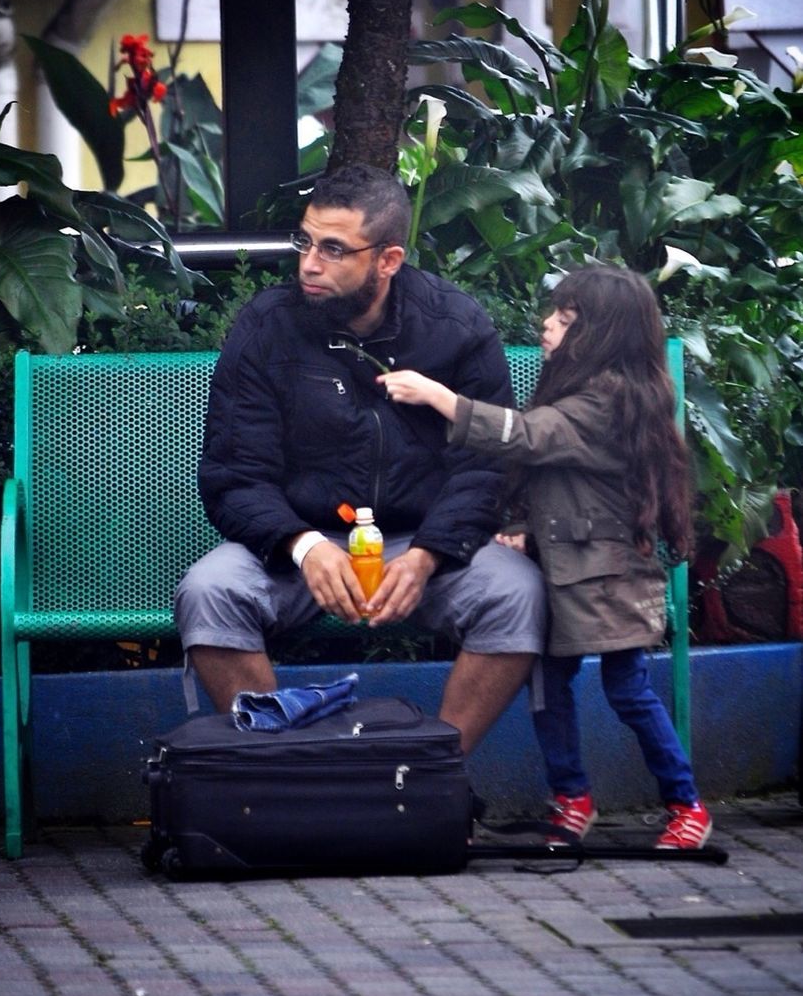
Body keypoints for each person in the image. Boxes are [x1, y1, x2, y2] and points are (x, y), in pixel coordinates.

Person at [174, 162, 547, 754]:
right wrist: (305, 545)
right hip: (301, 545)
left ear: (388, 260)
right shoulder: (266, 327)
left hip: (426, 544)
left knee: (517, 593)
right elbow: (235, 472)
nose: (309, 264)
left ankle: (432, 780)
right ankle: (282, 789)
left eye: (333, 249)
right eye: (305, 240)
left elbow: (485, 468)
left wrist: (428, 555)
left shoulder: (457, 327)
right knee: (209, 590)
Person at [378, 264, 713, 850]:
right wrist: (522, 528)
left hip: (607, 577)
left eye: (565, 319)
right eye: (552, 314)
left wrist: (439, 397)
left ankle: (686, 806)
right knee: (546, 689)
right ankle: (572, 799)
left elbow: (528, 437)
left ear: (603, 334)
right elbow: (555, 479)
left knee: (628, 689)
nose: (548, 325)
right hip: (560, 572)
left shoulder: (611, 399)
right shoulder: (580, 390)